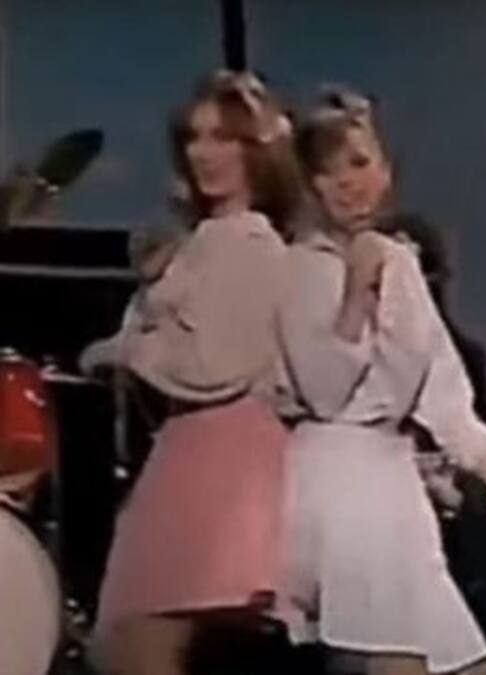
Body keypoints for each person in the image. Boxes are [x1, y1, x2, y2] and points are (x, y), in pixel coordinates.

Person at [275, 87, 486, 675]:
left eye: (359, 163)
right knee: (388, 660)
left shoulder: (399, 263)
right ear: (310, 185)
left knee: (470, 666)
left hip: (394, 486)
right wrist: (355, 292)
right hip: (340, 486)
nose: (347, 183)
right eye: (327, 172)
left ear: (385, 171)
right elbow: (324, 389)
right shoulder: (302, 267)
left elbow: (444, 392)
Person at [79, 70, 300, 675]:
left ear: (256, 150)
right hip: (189, 454)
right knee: (133, 646)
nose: (204, 152)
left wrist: (124, 352)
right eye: (195, 137)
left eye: (223, 137)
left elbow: (213, 365)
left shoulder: (250, 243)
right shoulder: (204, 241)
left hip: (224, 463)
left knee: (144, 644)